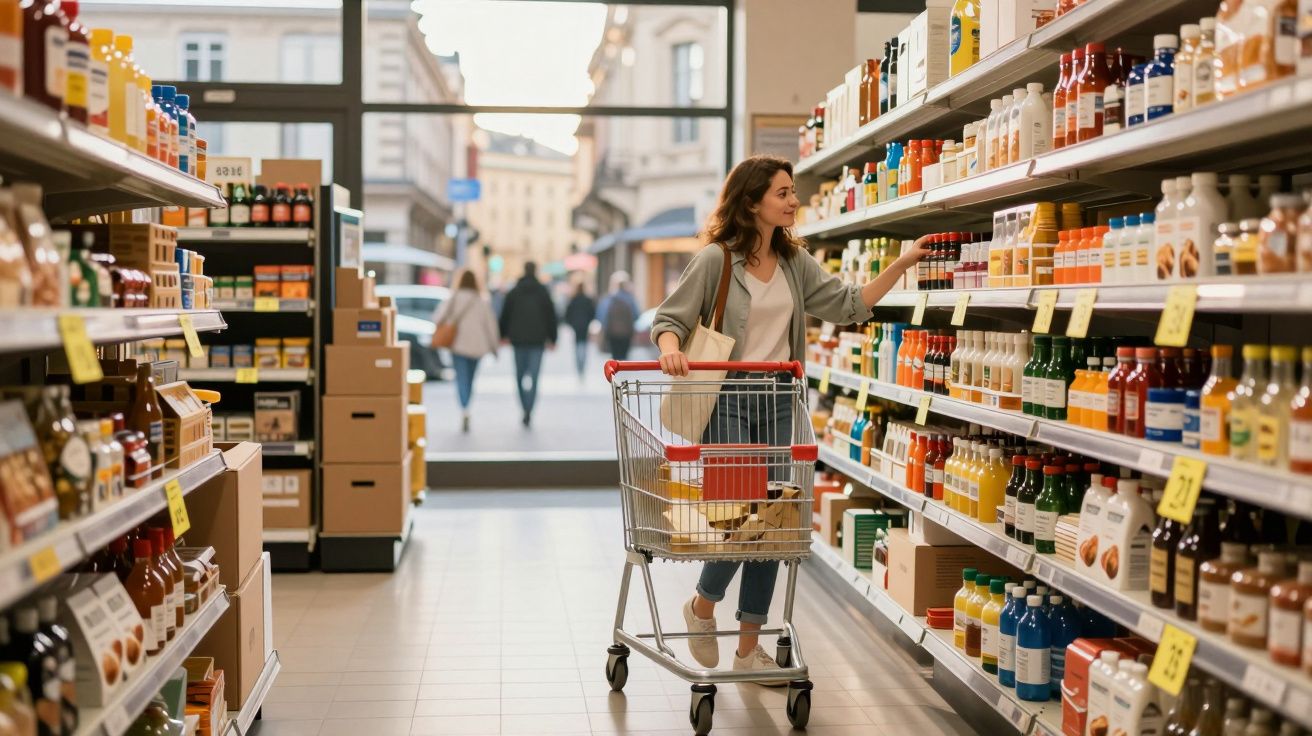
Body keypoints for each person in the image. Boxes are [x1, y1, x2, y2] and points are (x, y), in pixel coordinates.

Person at [650, 154, 929, 682]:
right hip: (729, 397)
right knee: (740, 521)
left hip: (781, 398)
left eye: (792, 191)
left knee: (774, 527)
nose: (793, 200)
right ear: (753, 202)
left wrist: (901, 263)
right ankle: (704, 606)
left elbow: (848, 305)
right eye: (783, 192)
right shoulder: (717, 260)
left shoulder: (795, 263)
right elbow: (671, 317)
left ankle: (748, 647)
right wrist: (670, 349)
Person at [431, 269, 500, 433]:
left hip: (458, 345)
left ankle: (464, 408)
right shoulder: (481, 301)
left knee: (461, 378)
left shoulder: (453, 298)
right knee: (470, 379)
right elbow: (491, 326)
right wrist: (494, 348)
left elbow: (437, 318)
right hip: (477, 347)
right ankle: (467, 405)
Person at [498, 261, 558, 427]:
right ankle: (529, 409)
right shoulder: (543, 292)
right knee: (534, 377)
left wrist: (502, 335)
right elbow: (551, 316)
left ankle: (524, 407)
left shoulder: (514, 292)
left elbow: (505, 315)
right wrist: (553, 339)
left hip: (518, 340)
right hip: (538, 341)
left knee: (519, 376)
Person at [597, 271, 640, 361]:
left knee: (615, 356)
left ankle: (617, 373)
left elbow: (601, 316)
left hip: (612, 333)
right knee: (624, 357)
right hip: (626, 333)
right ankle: (624, 372)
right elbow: (636, 315)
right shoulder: (630, 299)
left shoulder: (608, 298)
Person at [563, 282, 596, 379]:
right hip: (585, 326)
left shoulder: (573, 300)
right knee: (584, 346)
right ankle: (582, 366)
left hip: (576, 326)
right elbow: (592, 313)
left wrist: (571, 323)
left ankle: (579, 366)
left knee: (577, 346)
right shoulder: (588, 300)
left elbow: (567, 314)